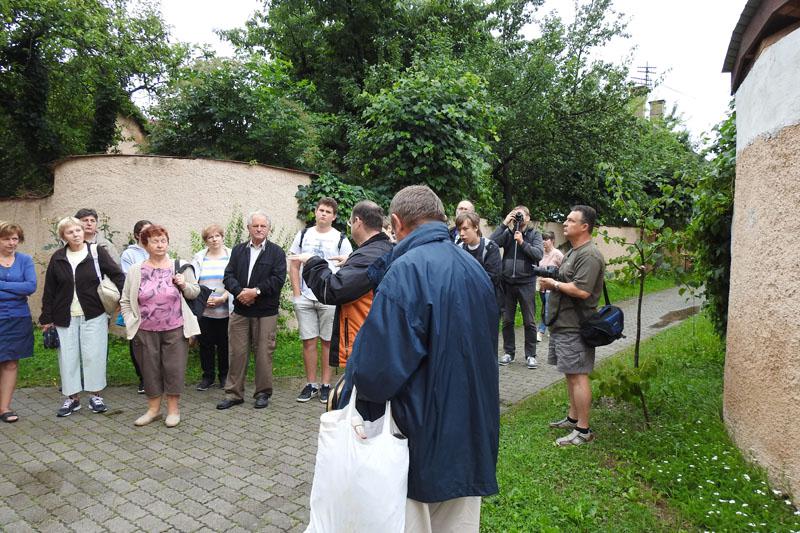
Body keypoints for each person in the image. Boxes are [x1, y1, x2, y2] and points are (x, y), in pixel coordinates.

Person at [340, 185, 500, 532]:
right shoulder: (475, 270)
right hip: (470, 432)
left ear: (396, 223)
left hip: (419, 438)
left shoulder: (405, 271)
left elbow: (375, 373)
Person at [290, 200, 393, 378]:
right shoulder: (383, 249)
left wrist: (312, 261)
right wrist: (352, 260)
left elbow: (333, 289)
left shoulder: (367, 256)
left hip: (365, 344)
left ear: (357, 222)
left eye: (350, 222)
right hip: (377, 340)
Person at [40, 216, 125, 417]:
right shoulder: (58, 257)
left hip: (94, 313)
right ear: (63, 236)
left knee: (94, 355)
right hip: (64, 315)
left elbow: (118, 275)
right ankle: (72, 398)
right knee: (68, 357)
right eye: (70, 232)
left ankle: (96, 396)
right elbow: (50, 289)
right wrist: (46, 318)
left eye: (78, 230)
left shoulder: (96, 252)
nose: (76, 234)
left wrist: (124, 300)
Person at [120, 224, 200, 428]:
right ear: (145, 244)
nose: (160, 245)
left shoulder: (180, 266)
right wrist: (130, 322)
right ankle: (153, 410)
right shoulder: (136, 270)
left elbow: (195, 292)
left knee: (174, 369)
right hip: (145, 330)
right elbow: (125, 300)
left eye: (163, 240)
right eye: (155, 241)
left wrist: (184, 284)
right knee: (149, 370)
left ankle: (173, 410)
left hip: (175, 328)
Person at [539, 206, 605, 446]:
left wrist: (554, 284)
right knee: (570, 373)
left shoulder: (590, 255)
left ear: (584, 226)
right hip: (563, 324)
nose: (565, 223)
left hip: (576, 326)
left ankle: (583, 430)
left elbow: (582, 290)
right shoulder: (573, 251)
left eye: (570, 220)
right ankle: (573, 418)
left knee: (579, 375)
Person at [217, 211, 286, 410]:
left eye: (263, 226)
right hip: (240, 310)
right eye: (255, 226)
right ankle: (234, 394)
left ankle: (262, 393)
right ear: (248, 228)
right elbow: (228, 276)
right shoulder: (238, 250)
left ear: (268, 229)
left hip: (266, 312)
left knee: (264, 354)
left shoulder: (277, 252)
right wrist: (240, 293)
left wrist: (255, 292)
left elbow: (278, 279)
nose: (259, 229)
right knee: (237, 353)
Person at [288, 197, 353, 404]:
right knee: (308, 341)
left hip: (329, 298)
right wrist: (297, 294)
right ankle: (311, 384)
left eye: (328, 212)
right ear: (315, 212)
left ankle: (325, 385)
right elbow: (294, 265)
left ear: (334, 216)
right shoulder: (303, 235)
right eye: (321, 210)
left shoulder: (340, 239)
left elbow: (348, 267)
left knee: (327, 342)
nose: (323, 214)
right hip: (305, 297)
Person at [490, 205, 544, 369]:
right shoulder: (508, 233)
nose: (518, 218)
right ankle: (509, 353)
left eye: (521, 215)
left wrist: (522, 243)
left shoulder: (534, 234)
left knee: (529, 321)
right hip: (507, 283)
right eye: (516, 214)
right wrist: (504, 224)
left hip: (526, 283)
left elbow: (538, 254)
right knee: (507, 321)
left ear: (528, 217)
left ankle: (531, 355)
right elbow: (491, 243)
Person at [0, 222, 36, 423]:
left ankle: (4, 408)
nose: (11, 243)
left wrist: (2, 285)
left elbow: (30, 287)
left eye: (15, 238)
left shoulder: (25, 260)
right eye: (6, 238)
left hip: (17, 318)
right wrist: (16, 287)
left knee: (11, 363)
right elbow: (22, 287)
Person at [191, 224, 232, 391]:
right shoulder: (199, 257)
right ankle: (207, 377)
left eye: (217, 236)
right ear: (206, 241)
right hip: (205, 309)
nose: (214, 239)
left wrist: (224, 298)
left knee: (224, 345)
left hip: (226, 308)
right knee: (205, 345)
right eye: (210, 237)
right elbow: (193, 282)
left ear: (222, 237)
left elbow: (237, 280)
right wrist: (203, 298)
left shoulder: (231, 256)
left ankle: (224, 376)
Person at [119, 219, 151, 394]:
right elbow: (128, 279)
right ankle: (143, 378)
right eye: (145, 231)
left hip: (156, 306)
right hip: (137, 304)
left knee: (155, 342)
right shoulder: (129, 255)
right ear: (137, 235)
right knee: (138, 342)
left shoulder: (157, 249)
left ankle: (156, 376)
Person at [456, 211, 502, 307]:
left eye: (465, 229)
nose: (461, 233)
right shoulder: (459, 249)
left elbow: (493, 278)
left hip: (488, 302)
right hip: (466, 302)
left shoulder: (490, 247)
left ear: (476, 227)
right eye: (459, 230)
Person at [537, 231, 564, 342]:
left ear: (552, 240)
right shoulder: (540, 253)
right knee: (545, 308)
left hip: (552, 288)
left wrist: (557, 282)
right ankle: (553, 326)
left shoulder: (557, 254)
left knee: (548, 309)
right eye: (542, 239)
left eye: (546, 239)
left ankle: (541, 331)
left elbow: (564, 269)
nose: (544, 241)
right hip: (542, 287)